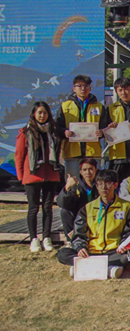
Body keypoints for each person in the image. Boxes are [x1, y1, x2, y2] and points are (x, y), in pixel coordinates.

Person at [56, 170, 130, 279]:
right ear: (96, 186)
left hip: (114, 251)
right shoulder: (87, 208)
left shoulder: (126, 207)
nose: (104, 187)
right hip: (91, 252)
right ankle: (109, 268)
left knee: (129, 255)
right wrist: (81, 247)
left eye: (108, 183)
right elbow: (79, 233)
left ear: (115, 185)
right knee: (62, 254)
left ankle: (82, 266)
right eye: (100, 184)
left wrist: (124, 244)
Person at [15, 102, 61, 252]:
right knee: (33, 208)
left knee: (47, 207)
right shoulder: (26, 132)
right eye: (39, 112)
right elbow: (19, 155)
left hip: (50, 174)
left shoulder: (53, 132)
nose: (42, 115)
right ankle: (33, 238)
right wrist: (21, 176)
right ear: (34, 114)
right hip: (32, 175)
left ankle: (46, 237)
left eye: (45, 113)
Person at [56, 75, 110, 178]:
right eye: (79, 86)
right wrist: (64, 132)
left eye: (86, 86)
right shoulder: (65, 106)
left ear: (90, 88)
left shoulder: (99, 106)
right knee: (73, 182)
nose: (83, 88)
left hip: (92, 152)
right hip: (72, 152)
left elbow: (105, 126)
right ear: (74, 88)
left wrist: (102, 133)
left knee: (93, 182)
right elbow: (57, 127)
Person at [106, 77, 130, 182]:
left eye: (126, 89)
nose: (123, 93)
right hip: (118, 155)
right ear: (116, 91)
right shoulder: (111, 108)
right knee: (116, 184)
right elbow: (105, 130)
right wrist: (110, 127)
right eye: (120, 90)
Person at [56, 158, 98, 245]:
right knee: (65, 212)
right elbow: (62, 203)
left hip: (98, 215)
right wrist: (67, 188)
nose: (88, 172)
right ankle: (71, 240)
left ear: (96, 170)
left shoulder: (101, 184)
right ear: (80, 172)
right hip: (81, 217)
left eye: (90, 169)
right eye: (84, 170)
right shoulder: (76, 186)